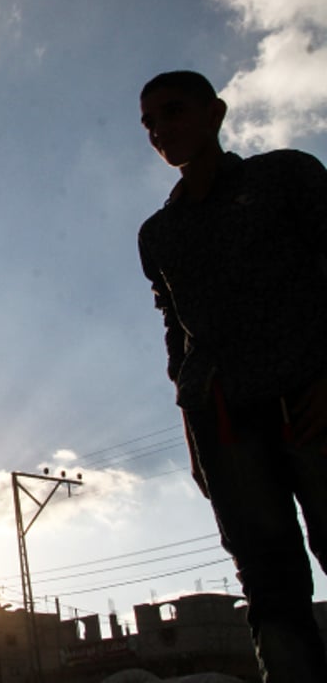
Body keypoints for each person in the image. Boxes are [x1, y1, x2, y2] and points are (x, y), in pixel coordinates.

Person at [137, 70, 327, 681]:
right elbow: (177, 333)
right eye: (149, 124)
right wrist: (195, 432)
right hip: (224, 421)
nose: (161, 131)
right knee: (268, 582)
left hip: (309, 397)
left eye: (172, 112)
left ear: (214, 113)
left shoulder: (285, 177)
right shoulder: (158, 233)